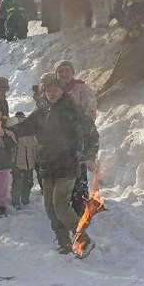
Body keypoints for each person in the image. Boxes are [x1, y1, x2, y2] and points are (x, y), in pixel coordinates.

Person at [15, 80, 100, 257]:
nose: (51, 93)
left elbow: (91, 133)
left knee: (61, 206)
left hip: (67, 164)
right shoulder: (42, 111)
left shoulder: (72, 110)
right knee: (50, 208)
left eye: (55, 90)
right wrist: (7, 127)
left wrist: (89, 156)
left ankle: (84, 239)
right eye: (48, 90)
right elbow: (25, 127)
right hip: (47, 164)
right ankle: (64, 243)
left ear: (62, 91)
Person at [55, 60, 98, 216]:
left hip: (78, 137)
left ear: (72, 73)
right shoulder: (53, 90)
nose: (64, 74)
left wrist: (77, 124)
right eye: (60, 71)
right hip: (58, 140)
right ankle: (64, 207)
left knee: (79, 173)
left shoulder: (82, 89)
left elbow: (90, 111)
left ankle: (80, 207)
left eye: (67, 71)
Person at [105, 26, 144, 91]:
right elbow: (117, 66)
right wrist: (108, 84)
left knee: (118, 87)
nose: (133, 31)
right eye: (131, 29)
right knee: (107, 90)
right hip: (120, 77)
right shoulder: (126, 45)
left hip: (137, 76)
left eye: (136, 28)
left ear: (141, 30)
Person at [11, 112, 38, 209]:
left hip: (19, 162)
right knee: (28, 181)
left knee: (18, 182)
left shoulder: (14, 129)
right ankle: (23, 199)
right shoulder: (31, 130)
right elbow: (35, 148)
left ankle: (17, 200)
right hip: (28, 162)